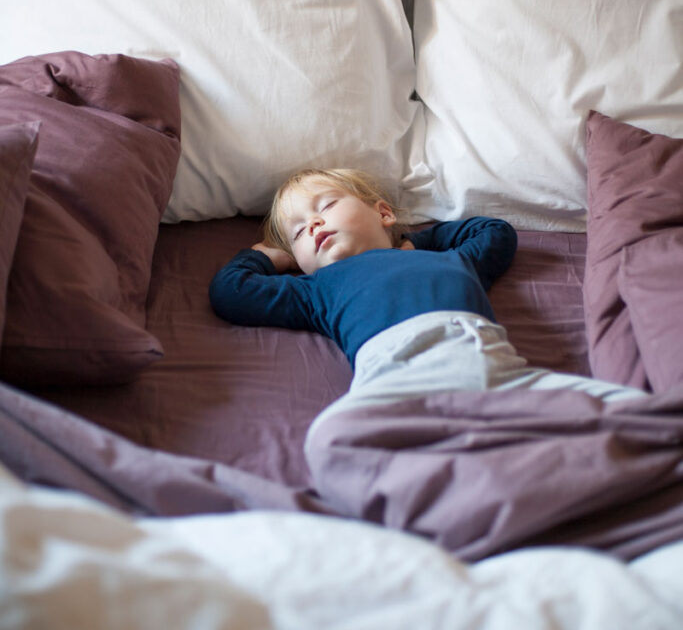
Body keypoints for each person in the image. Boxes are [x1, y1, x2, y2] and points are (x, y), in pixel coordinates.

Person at [209, 167, 645, 443]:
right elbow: (232, 292)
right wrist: (267, 257)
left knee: (630, 410)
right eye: (300, 232)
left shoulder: (449, 257)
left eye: (326, 206)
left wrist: (413, 240)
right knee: (328, 439)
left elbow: (496, 232)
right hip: (392, 382)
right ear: (300, 263)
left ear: (383, 212)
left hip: (487, 364)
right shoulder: (315, 289)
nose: (315, 223)